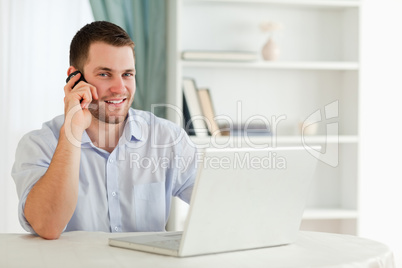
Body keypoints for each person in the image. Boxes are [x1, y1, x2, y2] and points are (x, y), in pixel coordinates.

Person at [12, 21, 197, 240]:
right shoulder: (39, 145)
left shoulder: (168, 139)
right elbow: (47, 225)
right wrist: (72, 129)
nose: (120, 88)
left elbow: (220, 204)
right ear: (75, 78)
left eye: (127, 74)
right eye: (104, 74)